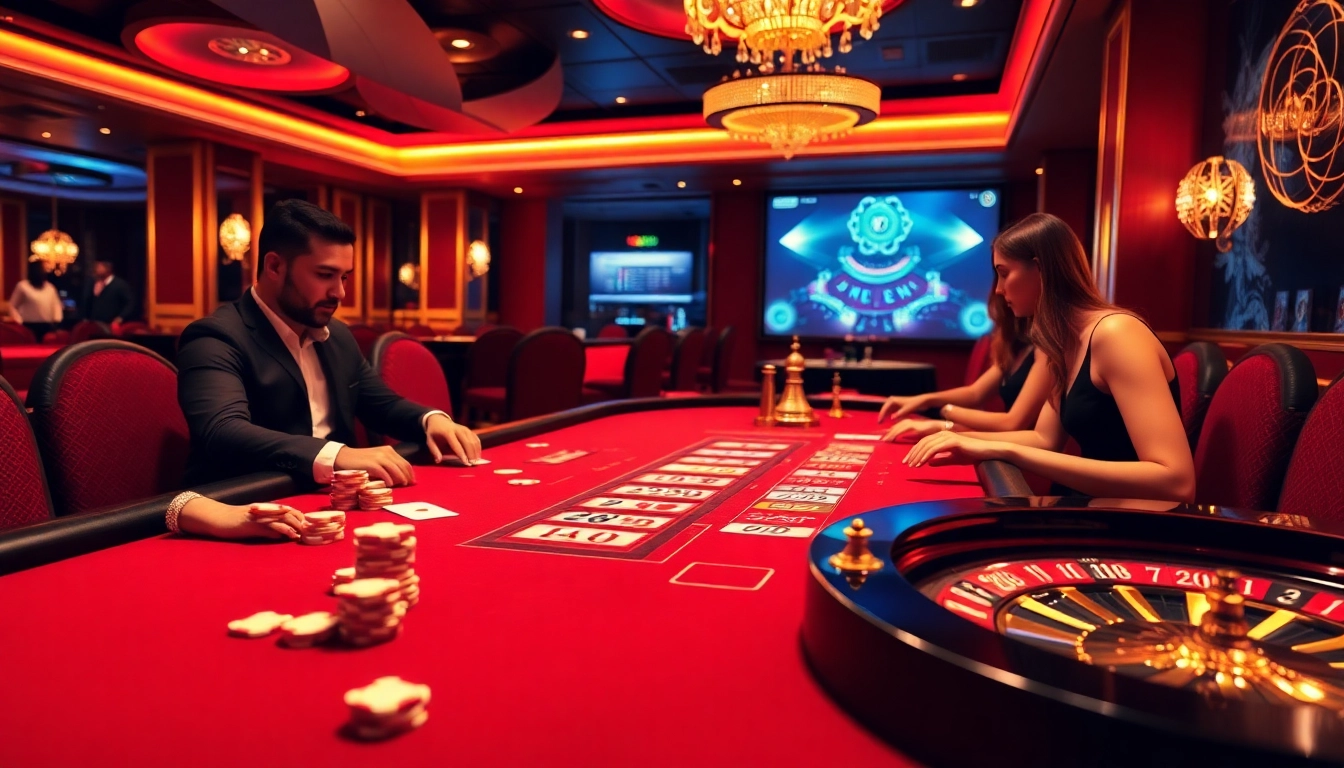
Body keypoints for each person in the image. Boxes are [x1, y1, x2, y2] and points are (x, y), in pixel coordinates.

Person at [176, 199, 482, 488]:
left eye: (344, 277)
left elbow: (383, 406)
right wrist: (337, 455)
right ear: (274, 267)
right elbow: (222, 431)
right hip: (249, 503)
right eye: (325, 275)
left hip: (333, 498)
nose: (339, 293)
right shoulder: (215, 337)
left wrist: (431, 421)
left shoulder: (337, 335)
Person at [902, 213, 1194, 503]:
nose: (999, 289)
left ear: (1041, 271)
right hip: (1082, 507)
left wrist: (1002, 449)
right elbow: (1043, 439)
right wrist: (959, 436)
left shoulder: (1118, 334)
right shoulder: (1063, 341)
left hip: (1127, 528)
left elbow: (1176, 482)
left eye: (1004, 273)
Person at [877, 290, 1048, 442]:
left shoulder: (1048, 348)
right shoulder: (1019, 345)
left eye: (1004, 273)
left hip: (1025, 467)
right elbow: (975, 393)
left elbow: (1012, 423)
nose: (998, 289)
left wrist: (945, 415)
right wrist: (925, 399)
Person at [8, 260, 63, 339]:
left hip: (47, 326)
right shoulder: (23, 286)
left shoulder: (50, 288)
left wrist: (57, 320)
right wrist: (19, 320)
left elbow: (56, 305)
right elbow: (12, 305)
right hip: (28, 326)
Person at [81, 260, 136, 330]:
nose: (96, 269)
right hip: (94, 324)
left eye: (99, 267)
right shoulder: (94, 283)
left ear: (108, 269)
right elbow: (88, 301)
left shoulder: (120, 284)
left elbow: (130, 303)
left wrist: (120, 317)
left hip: (111, 325)